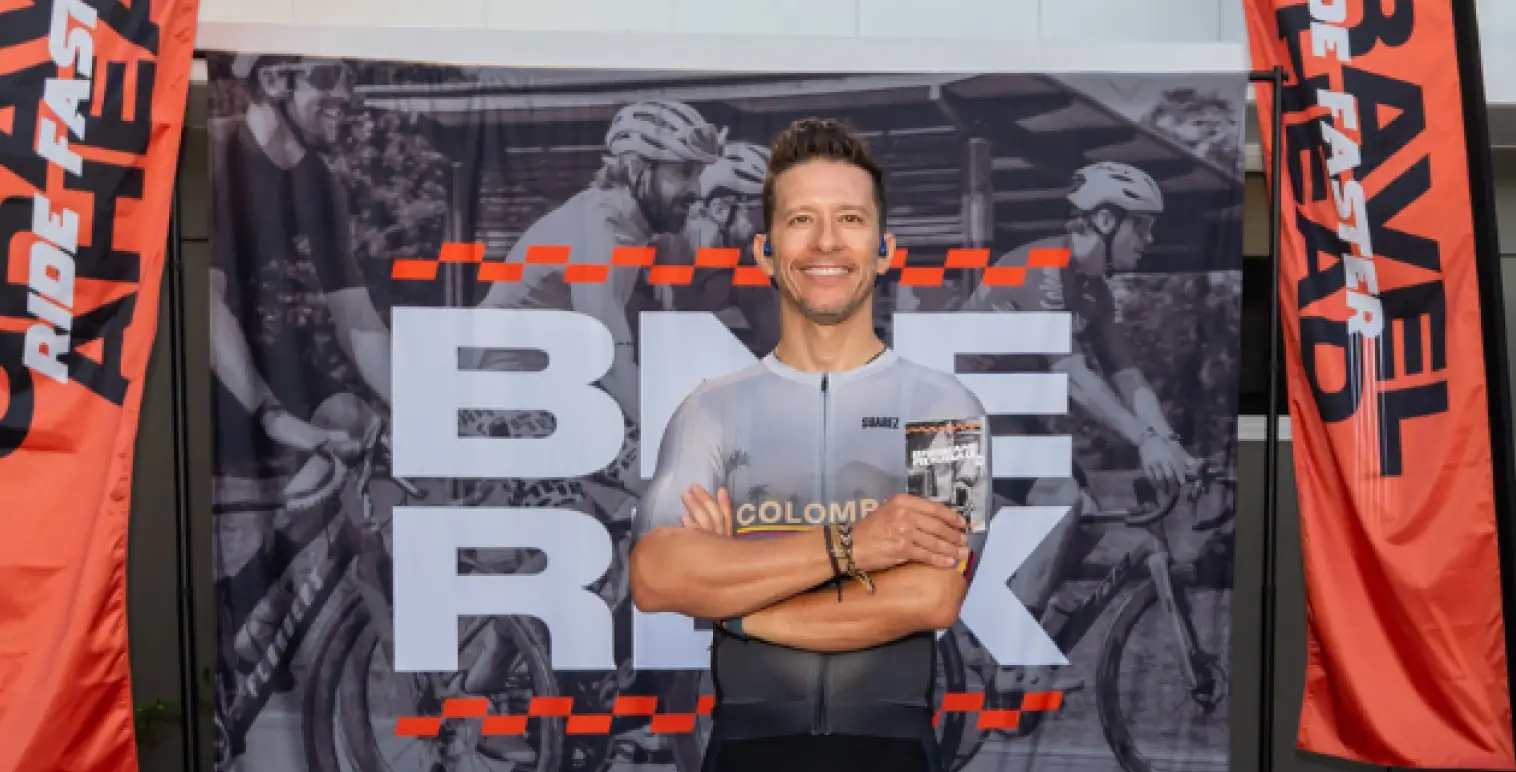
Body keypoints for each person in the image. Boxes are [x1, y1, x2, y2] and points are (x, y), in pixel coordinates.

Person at [628, 117, 992, 772]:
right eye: (801, 220)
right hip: (747, 747)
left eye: (850, 219)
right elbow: (658, 576)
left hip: (894, 748)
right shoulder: (709, 411)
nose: (826, 241)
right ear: (766, 252)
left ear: (885, 249)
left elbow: (931, 598)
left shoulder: (945, 409)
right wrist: (856, 546)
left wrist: (735, 601)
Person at [958, 160, 1196, 694]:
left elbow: (1127, 374)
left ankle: (1000, 626)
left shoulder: (1094, 290)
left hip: (1005, 415)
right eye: (1143, 225)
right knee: (1064, 497)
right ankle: (1006, 643)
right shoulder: (1041, 269)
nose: (1150, 239)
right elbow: (1073, 375)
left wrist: (1167, 441)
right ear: (1107, 221)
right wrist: (1142, 439)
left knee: (1085, 517)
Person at [208, 55, 395, 681]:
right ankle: (231, 610)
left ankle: (242, 600)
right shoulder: (218, 156)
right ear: (273, 80)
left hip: (253, 347)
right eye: (327, 77)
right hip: (188, 349)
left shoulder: (318, 179)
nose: (345, 92)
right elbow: (203, 305)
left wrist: (420, 406)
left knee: (356, 425)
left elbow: (356, 318)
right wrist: (271, 413)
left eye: (348, 76)